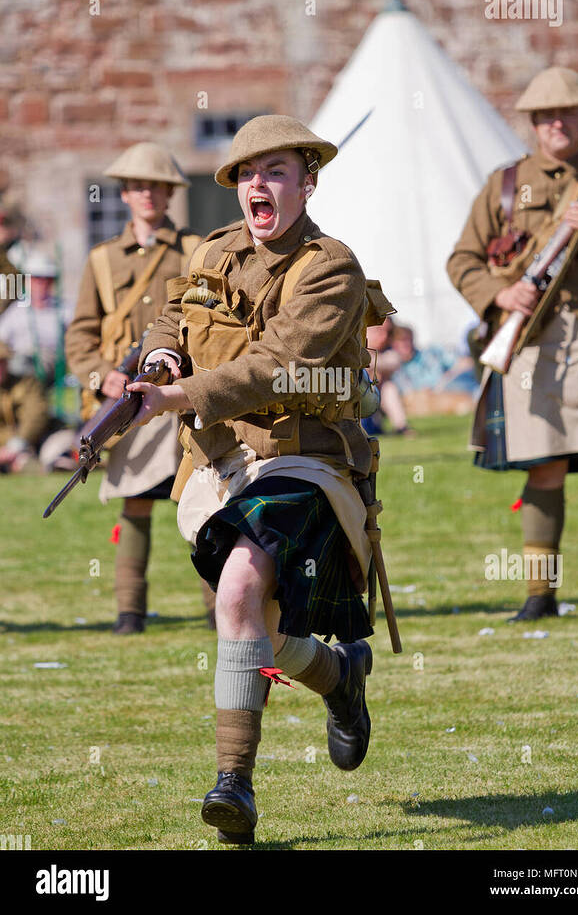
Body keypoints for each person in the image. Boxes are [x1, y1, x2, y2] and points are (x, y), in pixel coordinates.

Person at [126, 115, 392, 844]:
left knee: (241, 589)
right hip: (215, 467)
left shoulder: (327, 265)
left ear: (307, 182)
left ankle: (232, 786)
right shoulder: (211, 250)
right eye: (246, 174)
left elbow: (281, 362)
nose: (256, 186)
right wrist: (156, 362)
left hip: (303, 458)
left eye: (274, 170)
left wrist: (182, 395)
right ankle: (340, 677)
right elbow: (168, 317)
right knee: (250, 628)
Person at [447, 66, 578, 621]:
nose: (557, 123)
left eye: (567, 113)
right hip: (528, 344)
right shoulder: (505, 184)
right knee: (542, 469)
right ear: (533, 123)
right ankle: (539, 594)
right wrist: (501, 296)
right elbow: (463, 261)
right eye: (546, 116)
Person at [65, 142, 216, 634]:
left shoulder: (199, 251)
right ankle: (130, 611)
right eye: (137, 186)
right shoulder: (102, 261)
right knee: (134, 498)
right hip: (130, 400)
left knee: (205, 496)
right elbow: (81, 336)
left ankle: (221, 611)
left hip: (187, 393)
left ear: (170, 193)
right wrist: (99, 374)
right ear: (125, 195)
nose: (147, 193)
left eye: (157, 185)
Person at [0, 248, 70, 385]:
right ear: (28, 280)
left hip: (53, 366)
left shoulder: (64, 310)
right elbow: (2, 339)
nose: (41, 283)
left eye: (46, 279)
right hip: (20, 369)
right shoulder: (16, 310)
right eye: (36, 278)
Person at [0, 341, 50, 473]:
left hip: (34, 441)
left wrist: (17, 444)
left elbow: (36, 415)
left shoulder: (27, 383)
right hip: (5, 449)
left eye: (2, 362)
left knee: (54, 456)